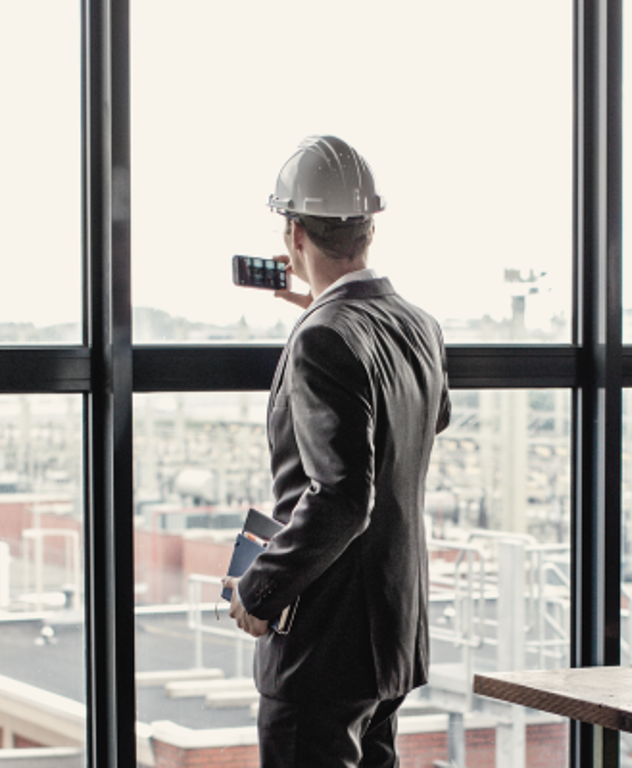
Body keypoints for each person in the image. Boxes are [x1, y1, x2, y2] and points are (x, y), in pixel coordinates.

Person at [220, 135, 450, 768]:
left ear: (294, 235)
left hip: (325, 641)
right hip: (392, 632)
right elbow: (432, 418)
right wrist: (321, 310)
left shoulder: (323, 337)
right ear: (368, 230)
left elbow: (343, 498)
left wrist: (259, 590)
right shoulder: (416, 323)